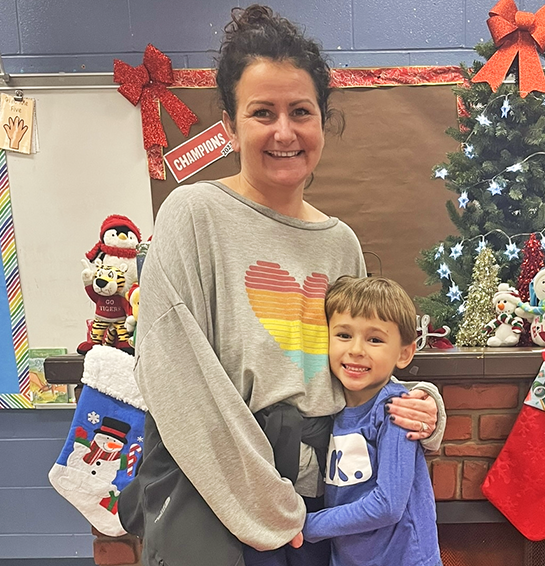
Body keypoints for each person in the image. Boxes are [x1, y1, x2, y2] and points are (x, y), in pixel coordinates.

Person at [118, 5, 445, 566]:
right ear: (229, 124)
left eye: (301, 111)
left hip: (321, 483)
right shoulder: (193, 213)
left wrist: (420, 405)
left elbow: (359, 362)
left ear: (322, 121)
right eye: (262, 112)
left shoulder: (341, 241)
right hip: (216, 480)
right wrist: (264, 501)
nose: (284, 131)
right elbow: (175, 373)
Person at [301, 276, 441, 566]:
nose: (356, 349)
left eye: (374, 339)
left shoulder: (396, 410)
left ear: (404, 353)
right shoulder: (332, 407)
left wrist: (308, 525)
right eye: (343, 335)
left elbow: (388, 506)